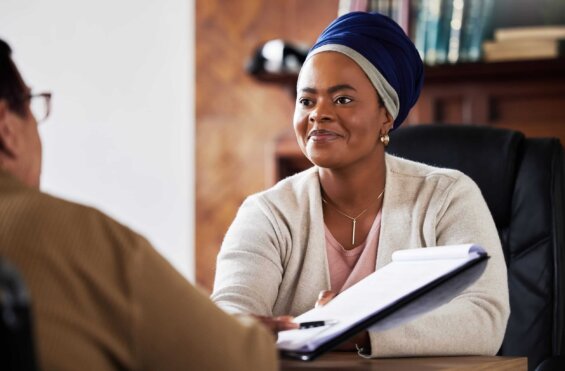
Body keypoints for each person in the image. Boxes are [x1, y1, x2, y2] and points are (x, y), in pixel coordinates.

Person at [212, 11, 510, 357]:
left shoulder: (446, 197)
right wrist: (250, 328)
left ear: (387, 115)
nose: (317, 113)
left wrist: (357, 331)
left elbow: (484, 322)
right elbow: (228, 319)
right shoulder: (267, 213)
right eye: (307, 100)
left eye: (342, 99)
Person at [0, 38, 278, 371]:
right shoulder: (77, 240)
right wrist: (245, 334)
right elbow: (239, 362)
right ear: (6, 126)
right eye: (32, 104)